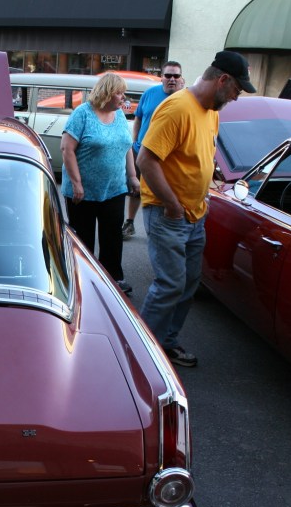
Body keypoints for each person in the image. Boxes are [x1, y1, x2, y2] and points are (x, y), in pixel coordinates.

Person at [136, 50, 256, 367]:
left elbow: (202, 152)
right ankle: (143, 354)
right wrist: (173, 205)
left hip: (195, 214)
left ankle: (167, 342)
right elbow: (145, 161)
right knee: (170, 285)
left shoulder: (211, 111)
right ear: (222, 80)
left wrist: (210, 179)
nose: (235, 97)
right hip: (168, 214)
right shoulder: (176, 108)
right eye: (236, 90)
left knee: (189, 283)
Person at [60, 72, 140, 295]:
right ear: (106, 93)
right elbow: (67, 149)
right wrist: (76, 183)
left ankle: (113, 279)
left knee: (112, 236)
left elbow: (126, 148)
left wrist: (132, 177)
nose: (123, 98)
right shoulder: (82, 114)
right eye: (119, 93)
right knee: (83, 238)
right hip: (83, 192)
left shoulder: (119, 116)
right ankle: (82, 281)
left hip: (114, 188)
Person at [123, 61, 184, 240]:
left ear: (181, 78)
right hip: (142, 150)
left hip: (168, 155)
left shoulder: (184, 98)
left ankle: (162, 229)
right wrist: (135, 141)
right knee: (136, 189)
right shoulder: (150, 93)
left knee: (162, 190)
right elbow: (139, 118)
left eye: (176, 76)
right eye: (168, 75)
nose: (172, 79)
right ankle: (129, 222)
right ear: (162, 77)